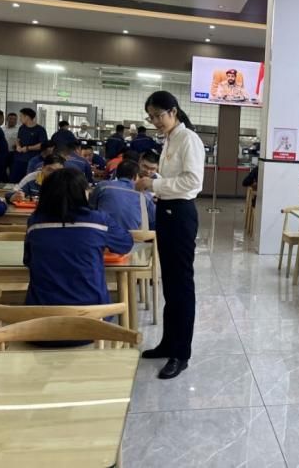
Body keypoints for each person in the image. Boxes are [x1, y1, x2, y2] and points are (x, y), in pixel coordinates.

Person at [135, 91, 205, 380]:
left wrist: (154, 185)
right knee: (171, 285)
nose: (155, 121)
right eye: (151, 117)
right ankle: (168, 342)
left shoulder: (188, 139)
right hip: (166, 211)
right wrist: (157, 186)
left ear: (173, 111)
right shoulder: (169, 140)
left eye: (158, 115)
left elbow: (192, 181)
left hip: (181, 215)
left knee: (182, 285)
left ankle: (181, 353)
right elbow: (172, 180)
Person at [24, 168, 133, 307]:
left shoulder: (35, 222)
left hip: (42, 308)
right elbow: (125, 244)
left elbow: (28, 260)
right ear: (82, 193)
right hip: (92, 307)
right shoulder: (99, 221)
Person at [91, 160, 156, 231]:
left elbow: (91, 208)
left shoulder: (102, 186)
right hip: (131, 236)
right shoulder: (145, 194)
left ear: (116, 174)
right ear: (135, 176)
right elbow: (152, 220)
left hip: (103, 233)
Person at [10, 108, 48, 182]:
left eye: (21, 116)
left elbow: (42, 145)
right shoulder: (22, 128)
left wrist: (28, 148)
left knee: (30, 180)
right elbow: (18, 139)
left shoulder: (40, 130)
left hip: (32, 160)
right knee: (15, 180)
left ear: (27, 117)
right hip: (19, 159)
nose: (20, 119)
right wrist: (18, 146)